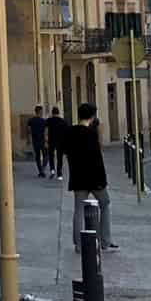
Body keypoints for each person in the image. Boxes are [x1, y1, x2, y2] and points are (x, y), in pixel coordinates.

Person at [63, 102, 114, 251]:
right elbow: (97, 160)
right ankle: (104, 240)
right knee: (105, 203)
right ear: (92, 116)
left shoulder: (70, 132)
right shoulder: (91, 135)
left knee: (78, 209)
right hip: (93, 178)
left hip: (77, 176)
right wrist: (102, 180)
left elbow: (66, 151)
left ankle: (78, 243)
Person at [45, 106, 70, 182]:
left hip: (51, 141)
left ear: (52, 113)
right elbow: (66, 133)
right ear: (58, 113)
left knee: (51, 155)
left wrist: (46, 140)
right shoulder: (63, 121)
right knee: (60, 158)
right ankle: (59, 174)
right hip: (60, 142)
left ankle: (52, 170)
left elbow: (45, 131)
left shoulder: (49, 120)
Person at [28, 105, 49, 177]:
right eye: (42, 111)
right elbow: (46, 132)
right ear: (40, 112)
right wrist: (46, 141)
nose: (42, 112)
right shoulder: (44, 121)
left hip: (35, 141)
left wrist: (29, 140)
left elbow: (29, 131)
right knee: (46, 155)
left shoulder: (31, 121)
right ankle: (43, 170)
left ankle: (40, 171)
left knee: (37, 156)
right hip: (42, 140)